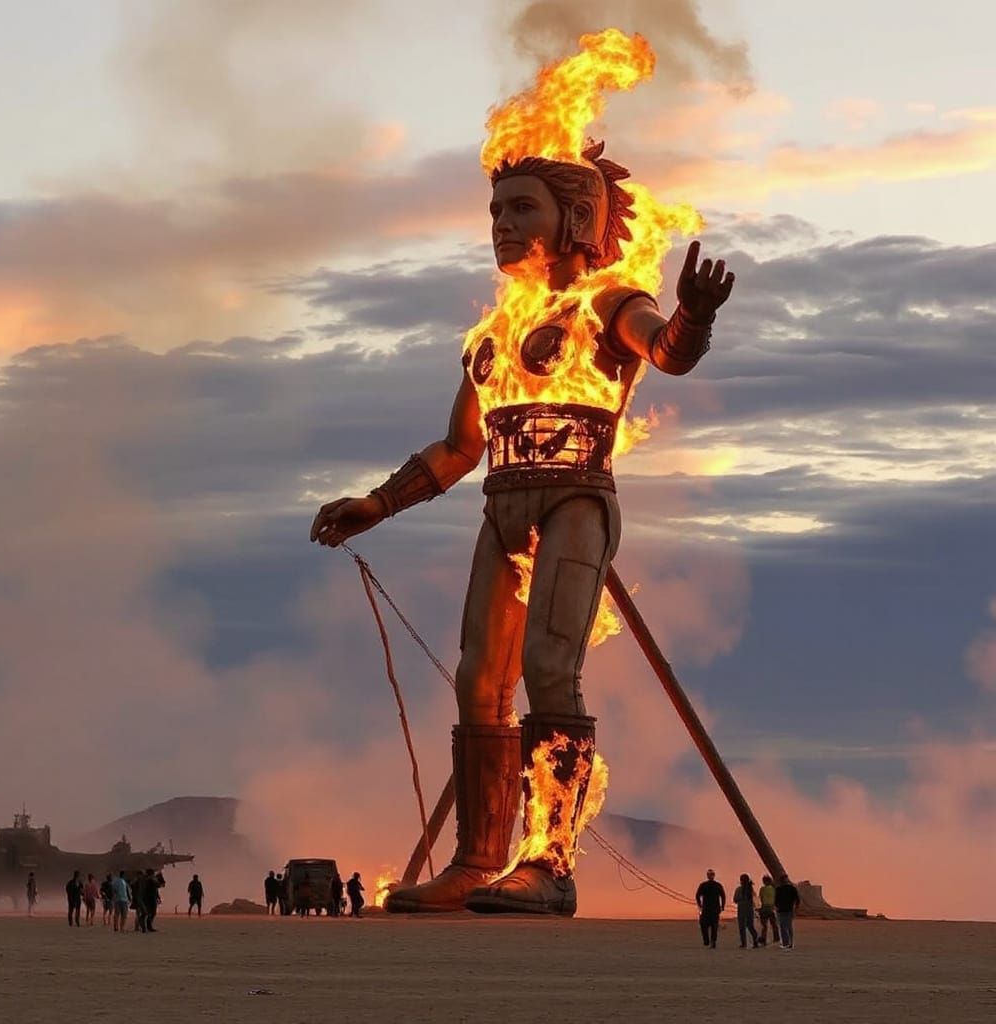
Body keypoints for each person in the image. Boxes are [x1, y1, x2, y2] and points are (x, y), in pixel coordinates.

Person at [314, 44, 735, 918]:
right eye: (496, 209)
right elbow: (458, 447)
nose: (502, 223)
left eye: (521, 207)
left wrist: (692, 317)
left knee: (549, 667)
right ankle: (477, 860)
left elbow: (665, 352)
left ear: (574, 217)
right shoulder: (491, 337)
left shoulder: (609, 302)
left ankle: (550, 862)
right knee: (478, 681)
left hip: (575, 498)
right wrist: (377, 504)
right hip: (499, 508)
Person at [695, 869, 726, 948]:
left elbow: (697, 895)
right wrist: (722, 906)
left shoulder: (703, 885)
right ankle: (712, 941)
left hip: (706, 908)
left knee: (704, 925)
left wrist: (700, 905)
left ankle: (707, 941)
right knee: (714, 926)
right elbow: (723, 896)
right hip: (714, 909)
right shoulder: (718, 885)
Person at [774, 873, 801, 949]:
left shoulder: (791, 889)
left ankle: (789, 943)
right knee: (784, 926)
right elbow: (776, 900)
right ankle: (786, 943)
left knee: (787, 926)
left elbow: (797, 899)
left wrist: (796, 908)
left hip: (787, 910)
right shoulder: (780, 889)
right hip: (782, 910)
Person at [734, 873, 758, 949]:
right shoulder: (751, 890)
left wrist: (740, 900)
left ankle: (743, 943)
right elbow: (755, 901)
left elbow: (735, 899)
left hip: (742, 910)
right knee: (750, 926)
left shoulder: (738, 889)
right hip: (749, 910)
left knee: (742, 927)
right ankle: (755, 941)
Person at [757, 874, 779, 946]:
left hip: (764, 908)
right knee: (774, 924)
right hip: (771, 908)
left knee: (764, 926)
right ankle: (776, 937)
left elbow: (761, 898)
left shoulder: (762, 889)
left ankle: (764, 939)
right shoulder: (774, 889)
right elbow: (775, 898)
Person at [140, 868, 160, 933]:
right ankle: (146, 926)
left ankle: (148, 926)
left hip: (151, 898)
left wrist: (158, 897)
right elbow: (158, 885)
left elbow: (156, 889)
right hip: (149, 898)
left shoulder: (149, 880)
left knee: (151, 913)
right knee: (149, 913)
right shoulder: (149, 880)